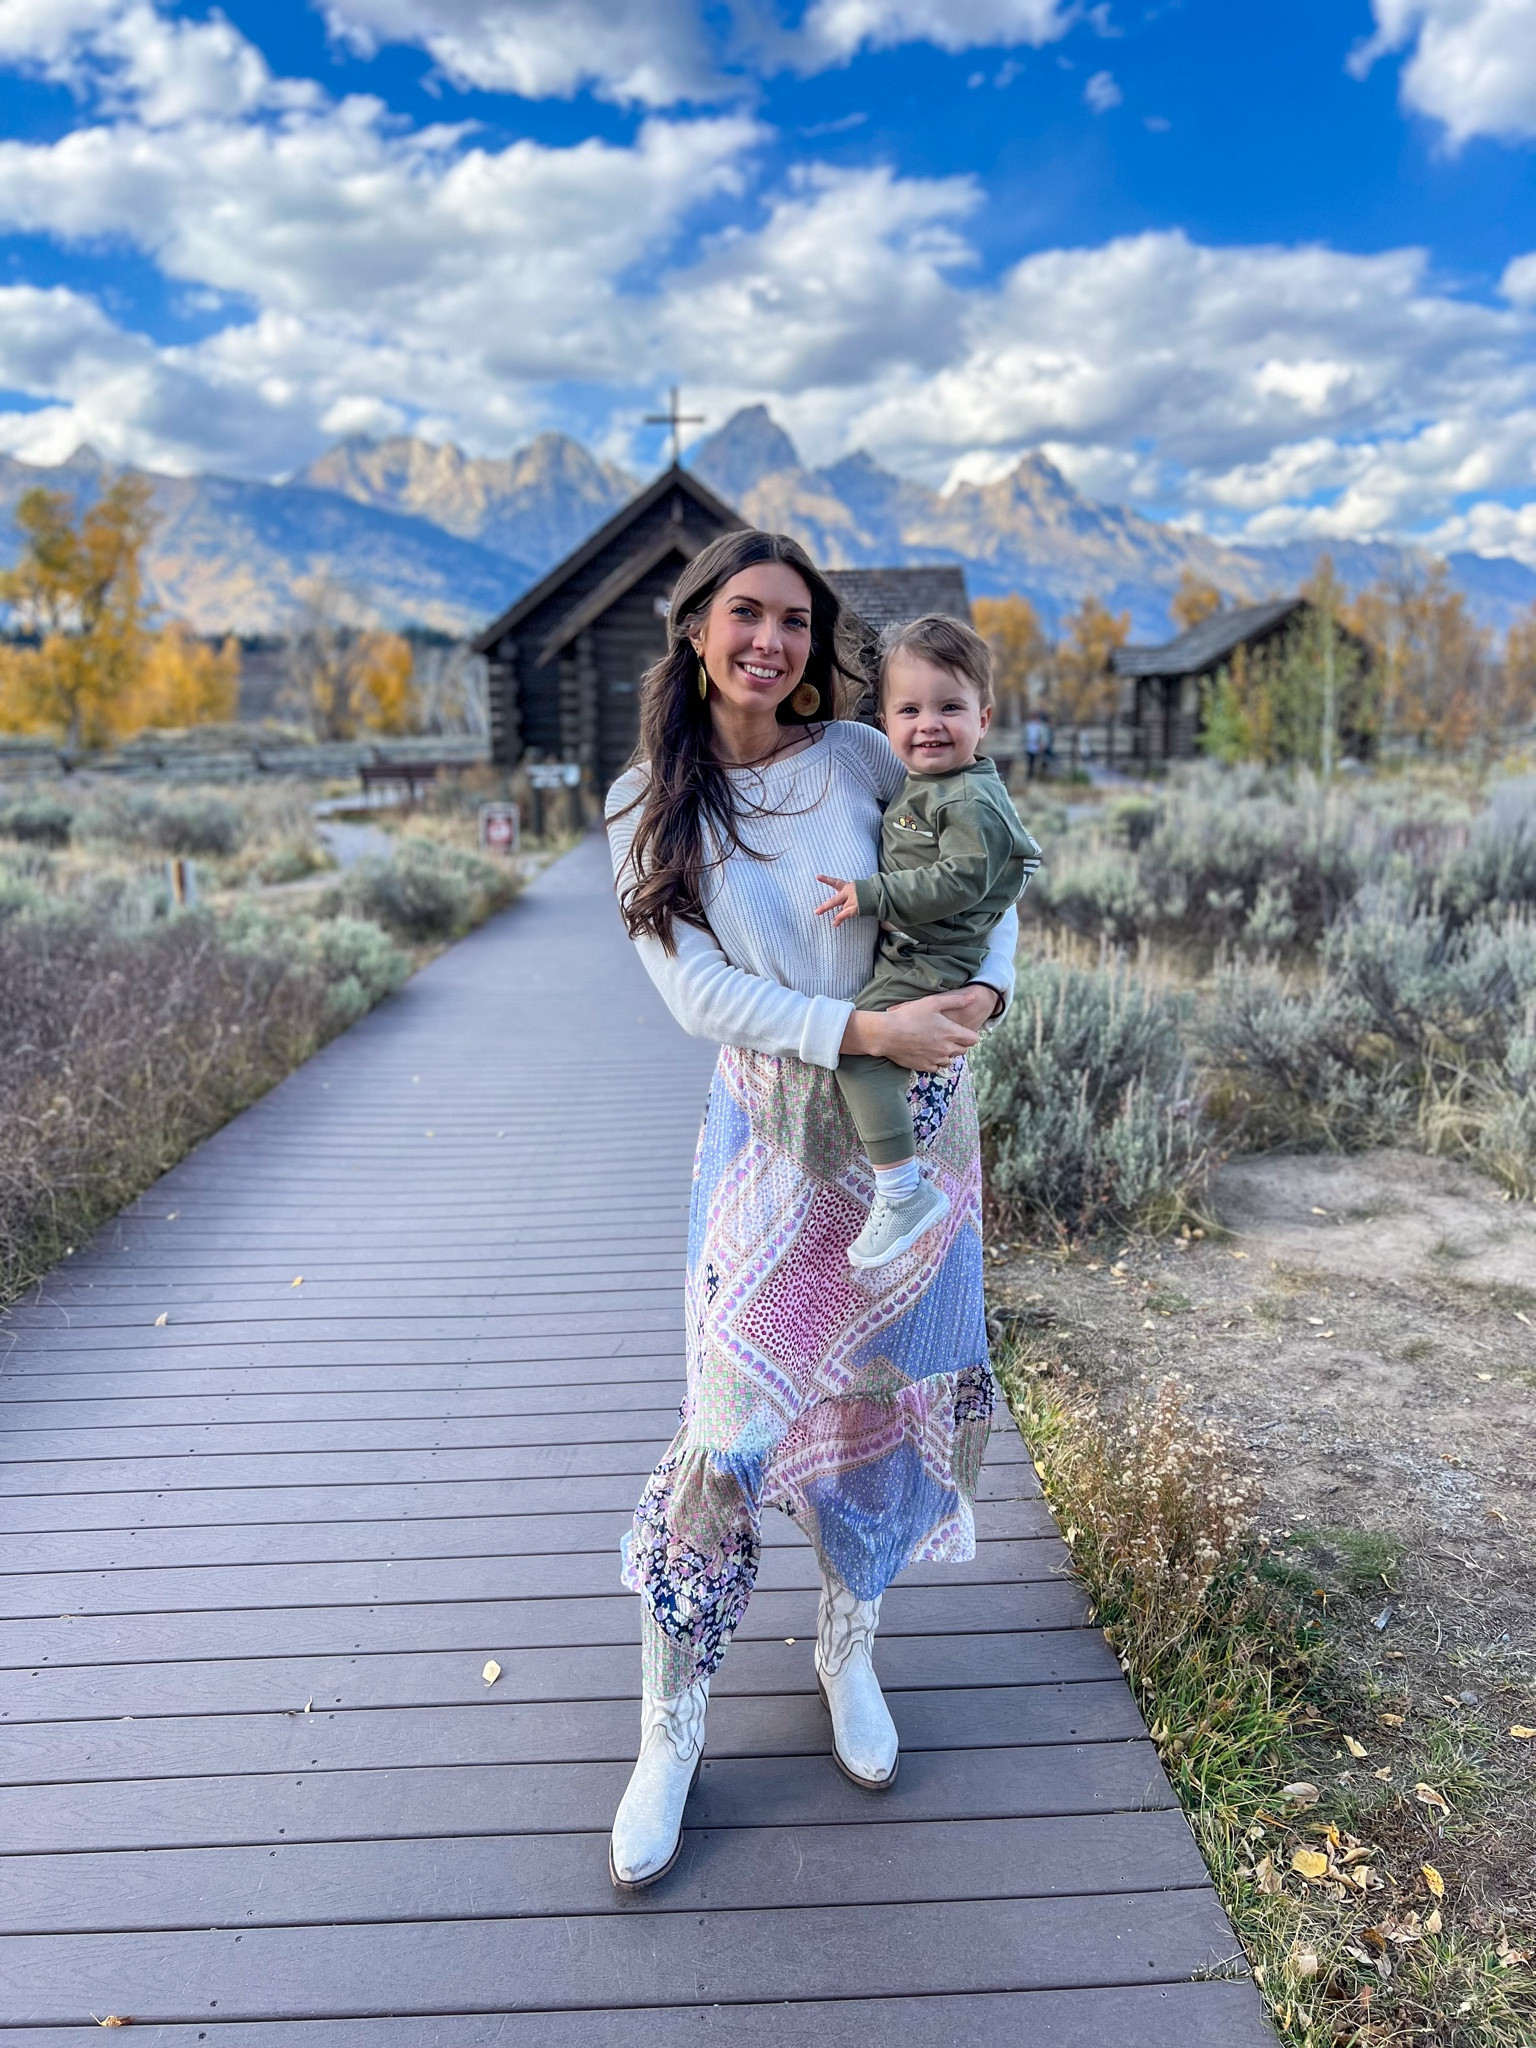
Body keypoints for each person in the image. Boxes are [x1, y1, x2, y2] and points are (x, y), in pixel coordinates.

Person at [604, 529, 1018, 1892]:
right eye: (744, 614)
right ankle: (672, 1723)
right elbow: (702, 996)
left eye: (792, 619)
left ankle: (851, 1647)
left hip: (913, 1146)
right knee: (726, 1432)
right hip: (774, 1154)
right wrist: (868, 1027)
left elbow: (984, 851)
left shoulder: (858, 757)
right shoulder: (643, 805)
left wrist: (982, 997)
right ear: (697, 629)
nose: (769, 641)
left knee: (882, 1414)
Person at [814, 615, 1040, 1270]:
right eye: (909, 709)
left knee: (858, 1055)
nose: (929, 724)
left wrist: (873, 895)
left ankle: (902, 1191)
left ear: (984, 717)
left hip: (931, 958)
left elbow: (964, 880)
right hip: (920, 948)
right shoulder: (931, 784)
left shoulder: (969, 797)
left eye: (950, 707)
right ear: (884, 723)